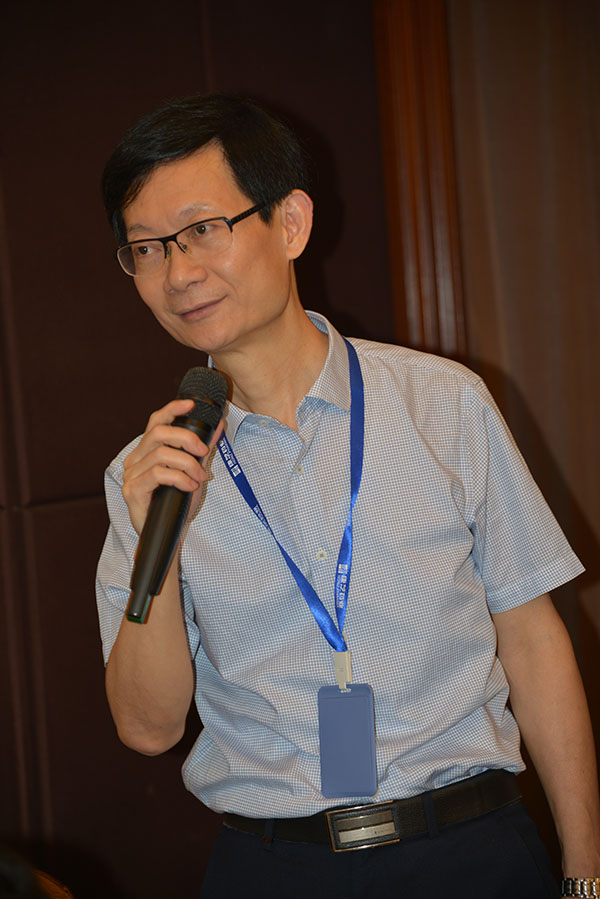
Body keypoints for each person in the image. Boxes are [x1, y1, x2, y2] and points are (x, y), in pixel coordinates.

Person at [96, 93, 600, 898]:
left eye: (202, 229)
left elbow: (534, 641)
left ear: (291, 223)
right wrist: (164, 535)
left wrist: (584, 876)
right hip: (272, 868)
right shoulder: (148, 474)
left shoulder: (443, 403)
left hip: (469, 851)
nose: (178, 272)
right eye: (147, 248)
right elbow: (147, 727)